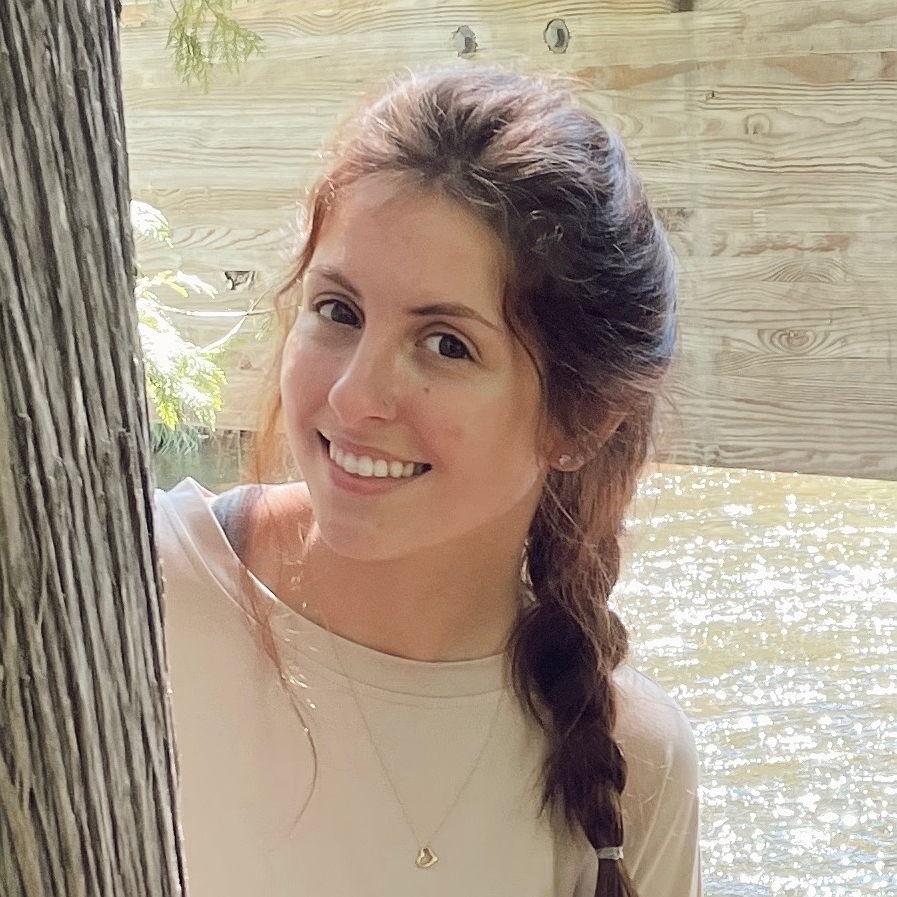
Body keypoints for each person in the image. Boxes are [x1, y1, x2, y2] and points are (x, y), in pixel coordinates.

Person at [152, 64, 701, 897]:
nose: (353, 395)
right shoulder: (135, 590)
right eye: (338, 310)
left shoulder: (635, 766)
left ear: (581, 420)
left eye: (446, 344)